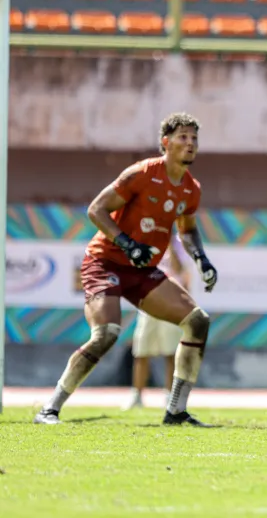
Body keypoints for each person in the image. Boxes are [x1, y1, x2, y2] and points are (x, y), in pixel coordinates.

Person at [34, 113, 218, 427]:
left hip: (142, 271)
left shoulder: (191, 189)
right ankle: (49, 409)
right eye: (183, 137)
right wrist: (126, 242)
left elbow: (187, 230)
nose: (190, 144)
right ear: (165, 143)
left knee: (198, 322)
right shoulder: (142, 173)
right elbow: (96, 209)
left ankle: (176, 411)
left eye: (194, 139)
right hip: (104, 262)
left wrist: (201, 258)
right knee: (106, 334)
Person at [123, 234, 191, 411]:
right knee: (141, 351)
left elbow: (180, 270)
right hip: (149, 304)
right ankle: (136, 396)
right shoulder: (147, 243)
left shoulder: (180, 244)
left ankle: (170, 396)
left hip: (171, 303)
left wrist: (170, 245)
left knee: (171, 353)